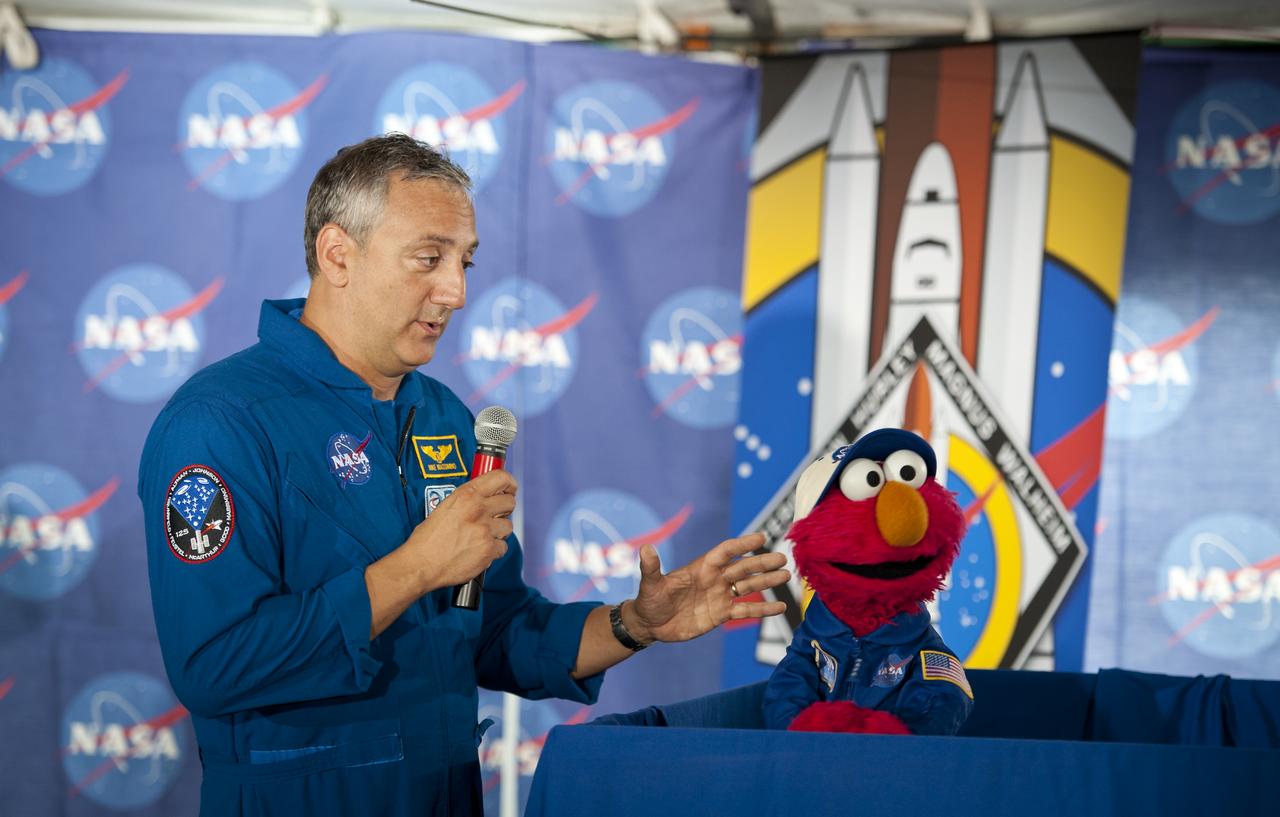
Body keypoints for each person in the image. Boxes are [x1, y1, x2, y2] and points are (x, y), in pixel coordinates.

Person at [138, 133, 790, 816]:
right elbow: (214, 664)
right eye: (429, 258)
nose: (454, 290)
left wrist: (633, 622)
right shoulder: (220, 420)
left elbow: (495, 627)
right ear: (338, 255)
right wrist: (415, 568)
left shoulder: (444, 416)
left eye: (465, 261)